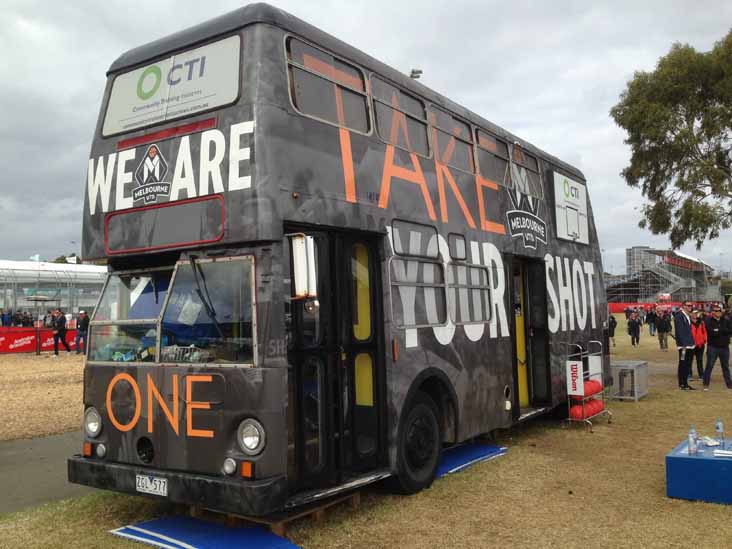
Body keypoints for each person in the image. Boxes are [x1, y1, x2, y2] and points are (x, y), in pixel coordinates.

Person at [702, 305, 732, 390]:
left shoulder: (726, 320)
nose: (718, 312)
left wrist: (719, 330)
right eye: (715, 311)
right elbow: (711, 332)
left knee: (725, 366)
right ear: (712, 312)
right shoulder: (708, 320)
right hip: (713, 347)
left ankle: (729, 384)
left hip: (724, 347)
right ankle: (706, 384)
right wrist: (722, 331)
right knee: (709, 366)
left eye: (719, 310)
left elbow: (730, 330)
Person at [674, 301, 696, 390]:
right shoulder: (679, 316)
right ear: (683, 306)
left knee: (688, 364)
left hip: (690, 345)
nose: (690, 307)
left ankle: (685, 383)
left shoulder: (687, 316)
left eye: (691, 305)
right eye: (688, 305)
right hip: (684, 346)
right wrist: (683, 345)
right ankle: (682, 384)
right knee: (683, 364)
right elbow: (679, 332)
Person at [691, 310, 707, 381]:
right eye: (694, 313)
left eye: (696, 313)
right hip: (691, 344)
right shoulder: (688, 322)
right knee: (689, 360)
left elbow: (705, 332)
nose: (695, 314)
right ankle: (689, 375)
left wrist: (704, 340)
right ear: (691, 314)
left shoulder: (701, 322)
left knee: (699, 360)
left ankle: (701, 375)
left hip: (700, 345)